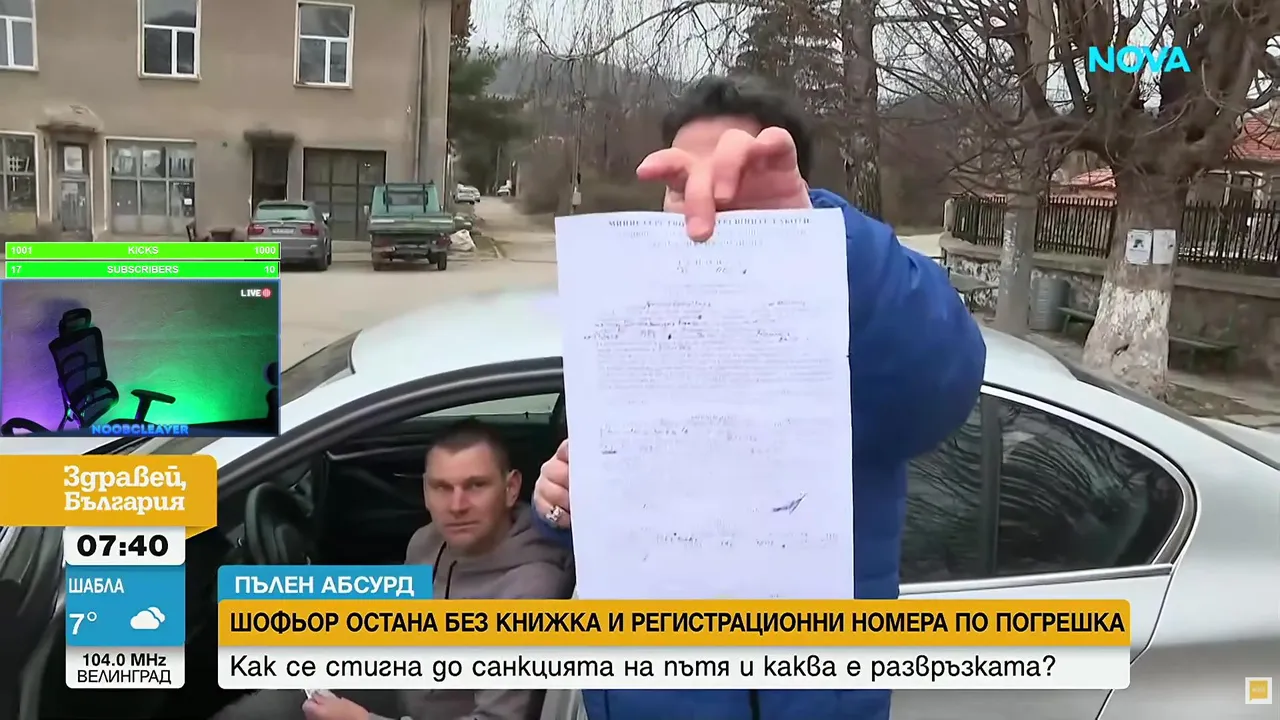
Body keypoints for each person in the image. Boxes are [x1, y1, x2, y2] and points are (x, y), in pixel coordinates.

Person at [531, 75, 987, 720]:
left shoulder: (851, 331)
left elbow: (942, 379)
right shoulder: (628, 334)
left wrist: (813, 230)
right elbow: (591, 510)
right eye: (683, 179)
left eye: (734, 173)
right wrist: (555, 503)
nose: (710, 192)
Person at [219, 419, 573, 720]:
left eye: (475, 485)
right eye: (442, 487)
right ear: (425, 490)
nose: (457, 505)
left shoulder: (529, 591)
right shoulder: (427, 541)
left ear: (510, 488)